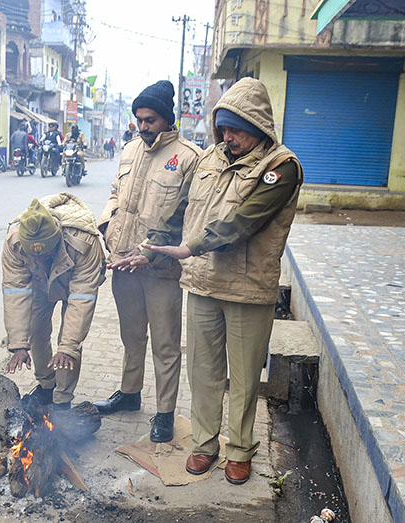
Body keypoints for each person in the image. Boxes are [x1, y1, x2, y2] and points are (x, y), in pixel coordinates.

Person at [111, 77, 303, 485]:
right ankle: (204, 444)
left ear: (258, 126)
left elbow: (242, 221)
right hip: (203, 285)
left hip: (248, 290)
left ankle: (240, 450)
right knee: (203, 373)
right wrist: (148, 250)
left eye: (236, 130)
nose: (227, 137)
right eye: (223, 129)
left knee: (245, 377)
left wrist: (190, 247)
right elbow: (178, 213)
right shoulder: (211, 160)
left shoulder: (280, 167)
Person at [92, 80, 202, 443]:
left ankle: (165, 412)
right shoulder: (128, 151)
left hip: (161, 269)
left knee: (166, 345)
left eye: (150, 119)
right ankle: (129, 393)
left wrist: (150, 253)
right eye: (139, 119)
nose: (143, 126)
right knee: (131, 335)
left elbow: (188, 215)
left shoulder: (188, 158)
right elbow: (115, 194)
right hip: (123, 262)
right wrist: (108, 226)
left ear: (166, 120)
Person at [3, 194, 106, 410]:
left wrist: (67, 347)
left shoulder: (84, 243)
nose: (38, 259)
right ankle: (46, 385)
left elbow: (82, 299)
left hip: (74, 279)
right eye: (34, 255)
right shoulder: (15, 243)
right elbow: (16, 292)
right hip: (40, 282)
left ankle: (62, 397)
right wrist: (18, 345)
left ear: (57, 241)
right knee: (35, 330)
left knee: (69, 345)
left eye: (44, 254)